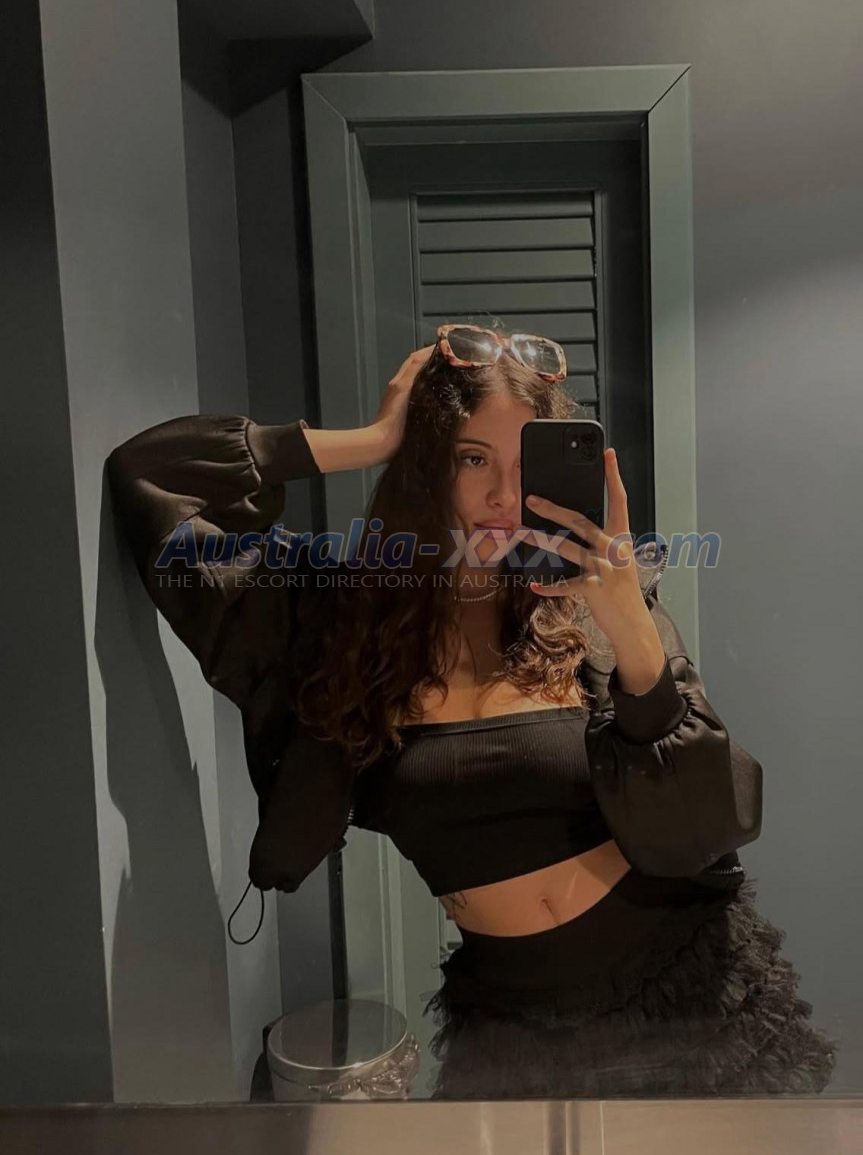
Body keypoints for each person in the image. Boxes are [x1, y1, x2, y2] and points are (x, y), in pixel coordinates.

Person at [106, 321, 837, 1100]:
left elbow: (709, 822)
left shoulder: (595, 614)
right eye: (471, 458)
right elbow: (148, 476)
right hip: (507, 1026)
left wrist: (630, 627)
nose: (500, 496)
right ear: (426, 467)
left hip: (681, 999)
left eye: (524, 465)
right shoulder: (335, 626)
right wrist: (371, 440)